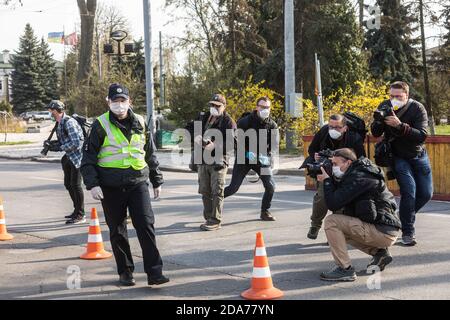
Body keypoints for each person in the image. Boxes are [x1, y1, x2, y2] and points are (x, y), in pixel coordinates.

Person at [80, 83, 169, 287]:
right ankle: (125, 272)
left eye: (122, 101)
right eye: (115, 101)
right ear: (108, 102)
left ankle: (155, 273)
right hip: (110, 187)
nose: (119, 105)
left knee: (146, 225)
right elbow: (88, 158)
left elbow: (149, 153)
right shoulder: (100, 125)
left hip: (137, 183)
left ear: (129, 102)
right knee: (117, 230)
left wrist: (157, 180)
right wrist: (92, 184)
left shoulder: (140, 121)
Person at [317, 148, 401, 282]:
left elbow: (333, 203)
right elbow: (340, 200)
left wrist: (327, 181)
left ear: (348, 162)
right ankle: (380, 253)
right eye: (332, 164)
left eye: (335, 164)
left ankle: (345, 269)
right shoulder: (358, 173)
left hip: (383, 232)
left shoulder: (360, 178)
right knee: (341, 225)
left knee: (332, 222)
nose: (333, 168)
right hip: (383, 229)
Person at [371, 81, 433, 246]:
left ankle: (401, 217)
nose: (394, 99)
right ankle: (408, 232)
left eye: (398, 96)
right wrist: (378, 121)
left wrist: (400, 125)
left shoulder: (417, 108)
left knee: (426, 194)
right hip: (398, 157)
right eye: (392, 96)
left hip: (419, 155)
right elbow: (376, 133)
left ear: (407, 95)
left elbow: (422, 135)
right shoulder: (385, 106)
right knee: (409, 193)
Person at [301, 114, 366, 240]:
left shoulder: (354, 138)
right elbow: (312, 149)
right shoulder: (324, 131)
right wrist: (315, 156)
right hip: (326, 171)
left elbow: (361, 158)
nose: (333, 130)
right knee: (322, 198)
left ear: (345, 128)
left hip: (346, 173)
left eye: (337, 127)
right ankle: (315, 224)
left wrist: (345, 160)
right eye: (331, 126)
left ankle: (336, 233)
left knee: (341, 203)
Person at [186, 94, 236, 231]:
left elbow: (232, 143)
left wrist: (215, 145)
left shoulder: (228, 122)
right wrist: (196, 137)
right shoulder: (203, 116)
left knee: (217, 190)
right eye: (212, 105)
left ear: (224, 106)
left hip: (219, 161)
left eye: (217, 106)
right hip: (202, 159)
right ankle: (209, 217)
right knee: (204, 190)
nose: (214, 108)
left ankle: (215, 219)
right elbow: (188, 128)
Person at [224, 97, 279, 221]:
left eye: (268, 107)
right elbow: (236, 142)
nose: (265, 109)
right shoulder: (244, 122)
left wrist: (267, 158)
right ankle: (214, 201)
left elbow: (274, 146)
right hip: (244, 158)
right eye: (263, 107)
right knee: (233, 188)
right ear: (257, 107)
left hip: (262, 159)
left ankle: (265, 211)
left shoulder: (272, 125)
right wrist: (247, 154)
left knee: (271, 186)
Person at [45, 100, 86, 224]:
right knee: (68, 184)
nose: (50, 113)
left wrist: (59, 147)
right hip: (68, 156)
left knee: (76, 185)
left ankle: (80, 215)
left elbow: (76, 143)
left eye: (51, 111)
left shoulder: (69, 123)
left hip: (78, 157)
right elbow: (64, 140)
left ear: (57, 111)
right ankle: (76, 210)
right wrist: (52, 144)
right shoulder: (59, 122)